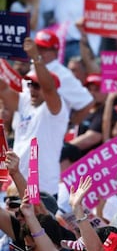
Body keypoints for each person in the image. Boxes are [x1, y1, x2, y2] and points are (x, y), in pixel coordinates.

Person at [0, 37, 69, 196]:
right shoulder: (25, 102)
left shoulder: (56, 109)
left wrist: (36, 57)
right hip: (16, 187)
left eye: (37, 86)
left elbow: (49, 88)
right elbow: (3, 89)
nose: (32, 89)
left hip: (42, 191)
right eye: (30, 84)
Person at [31, 29, 94, 125]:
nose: (39, 52)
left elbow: (87, 102)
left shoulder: (62, 75)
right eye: (37, 48)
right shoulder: (32, 68)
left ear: (55, 51)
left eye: (44, 49)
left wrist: (68, 126)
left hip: (49, 134)